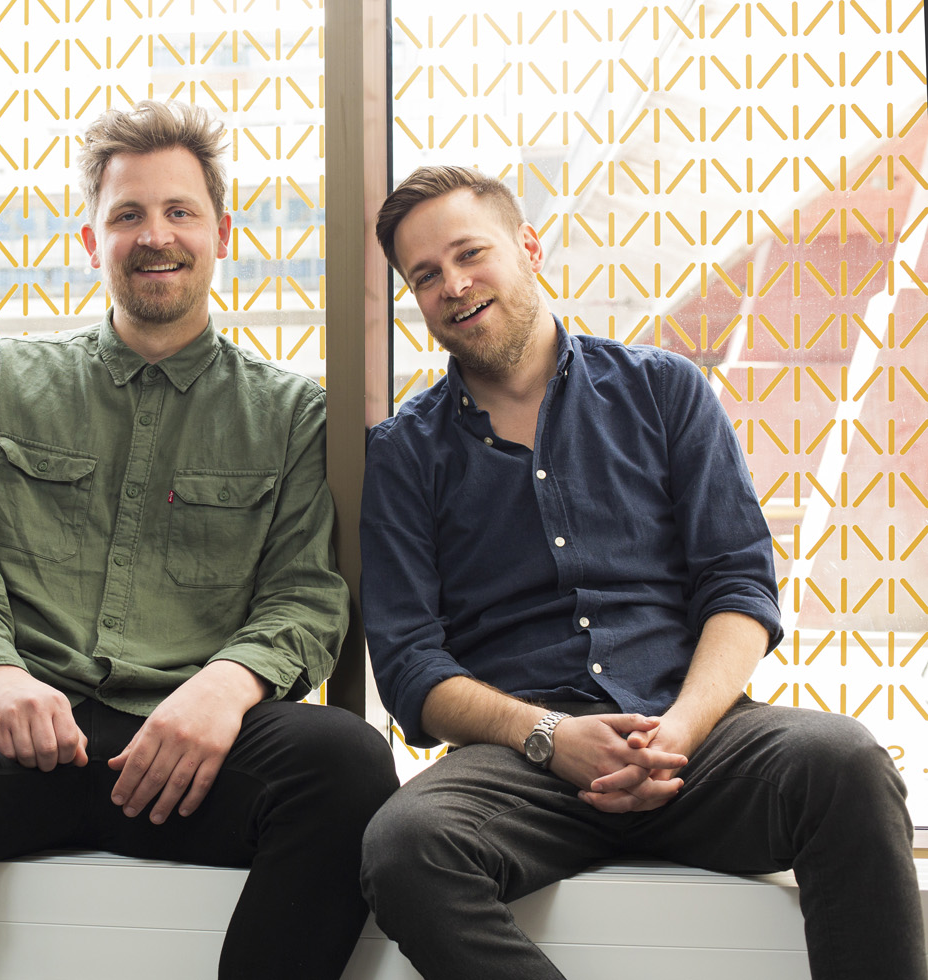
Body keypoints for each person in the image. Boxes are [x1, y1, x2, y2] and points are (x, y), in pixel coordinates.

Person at [0, 100, 398, 980]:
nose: (155, 235)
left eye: (179, 211)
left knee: (349, 766)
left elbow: (306, 592)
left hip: (189, 755)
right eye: (127, 215)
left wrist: (225, 688)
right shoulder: (1, 378)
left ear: (222, 234)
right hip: (10, 735)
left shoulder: (292, 415)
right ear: (92, 241)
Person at [357, 165, 924, 980]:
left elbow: (739, 586)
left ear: (529, 247)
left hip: (695, 741)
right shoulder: (404, 453)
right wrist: (549, 737)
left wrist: (681, 731)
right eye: (425, 276)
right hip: (524, 767)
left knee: (849, 764)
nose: (453, 285)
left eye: (470, 253)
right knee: (404, 847)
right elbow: (411, 668)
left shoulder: (665, 390)